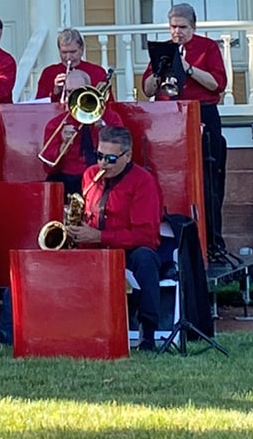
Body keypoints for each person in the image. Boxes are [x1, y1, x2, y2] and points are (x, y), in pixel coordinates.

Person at [141, 2, 228, 263]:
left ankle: (213, 243)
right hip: (170, 118)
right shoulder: (163, 49)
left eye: (182, 27)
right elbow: (147, 89)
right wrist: (159, 71)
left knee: (208, 181)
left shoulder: (207, 47)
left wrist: (188, 68)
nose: (177, 32)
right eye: (173, 27)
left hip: (202, 114)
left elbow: (218, 84)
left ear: (193, 27)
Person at [67, 126, 166, 352]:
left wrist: (100, 236)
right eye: (99, 156)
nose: (103, 164)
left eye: (110, 159)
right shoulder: (90, 175)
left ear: (127, 156)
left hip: (129, 252)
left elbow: (146, 236)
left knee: (146, 259)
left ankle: (148, 334)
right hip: (94, 248)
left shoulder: (143, 182)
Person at [38, 69, 124, 198]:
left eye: (78, 91)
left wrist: (104, 129)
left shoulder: (110, 118)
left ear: (89, 90)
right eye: (69, 92)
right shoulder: (57, 124)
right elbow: (49, 167)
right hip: (69, 181)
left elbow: (123, 153)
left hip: (103, 177)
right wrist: (63, 145)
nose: (74, 96)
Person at [33, 28, 110, 102]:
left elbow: (108, 104)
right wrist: (55, 93)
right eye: (64, 52)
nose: (68, 57)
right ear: (59, 51)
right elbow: (39, 106)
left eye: (73, 52)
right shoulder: (48, 73)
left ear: (82, 50)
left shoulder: (97, 72)